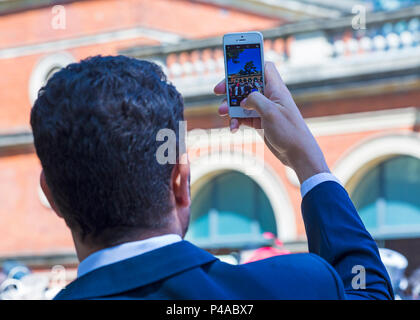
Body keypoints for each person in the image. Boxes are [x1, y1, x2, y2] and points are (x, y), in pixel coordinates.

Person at [30, 55, 393, 300]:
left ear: (52, 194)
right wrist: (309, 163)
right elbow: (371, 290)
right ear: (180, 181)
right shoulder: (299, 285)